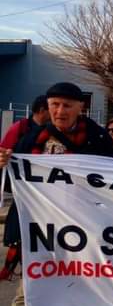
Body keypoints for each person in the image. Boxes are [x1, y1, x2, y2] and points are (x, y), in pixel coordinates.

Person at [0, 82, 113, 306]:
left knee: (81, 284)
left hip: (83, 226)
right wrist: (4, 167)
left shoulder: (99, 139)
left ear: (80, 108)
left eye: (66, 105)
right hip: (40, 229)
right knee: (31, 290)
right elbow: (14, 186)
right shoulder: (32, 139)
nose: (59, 111)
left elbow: (112, 184)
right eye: (54, 105)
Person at [1, 95, 49, 250]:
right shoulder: (20, 127)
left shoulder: (52, 130)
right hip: (23, 188)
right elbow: (3, 150)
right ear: (42, 110)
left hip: (47, 187)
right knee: (20, 226)